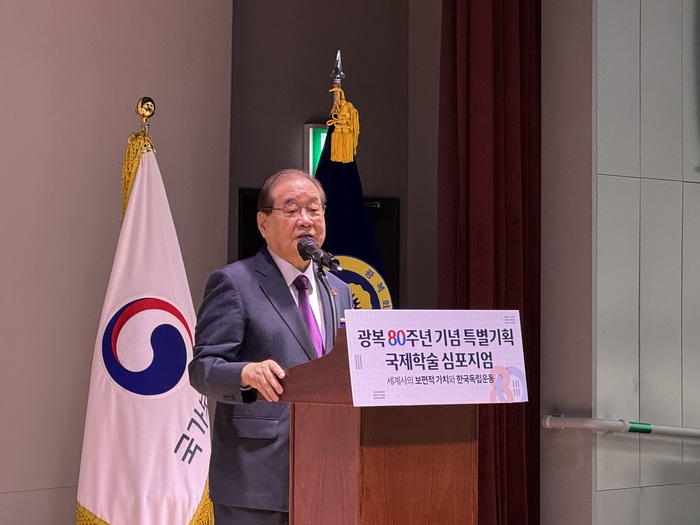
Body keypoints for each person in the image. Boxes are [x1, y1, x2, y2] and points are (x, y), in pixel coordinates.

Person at [189, 168, 353, 525]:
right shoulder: (234, 282)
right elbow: (202, 369)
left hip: (329, 471)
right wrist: (245, 374)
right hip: (256, 478)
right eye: (291, 210)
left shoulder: (338, 290)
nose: (306, 220)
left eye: (314, 209)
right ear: (263, 223)